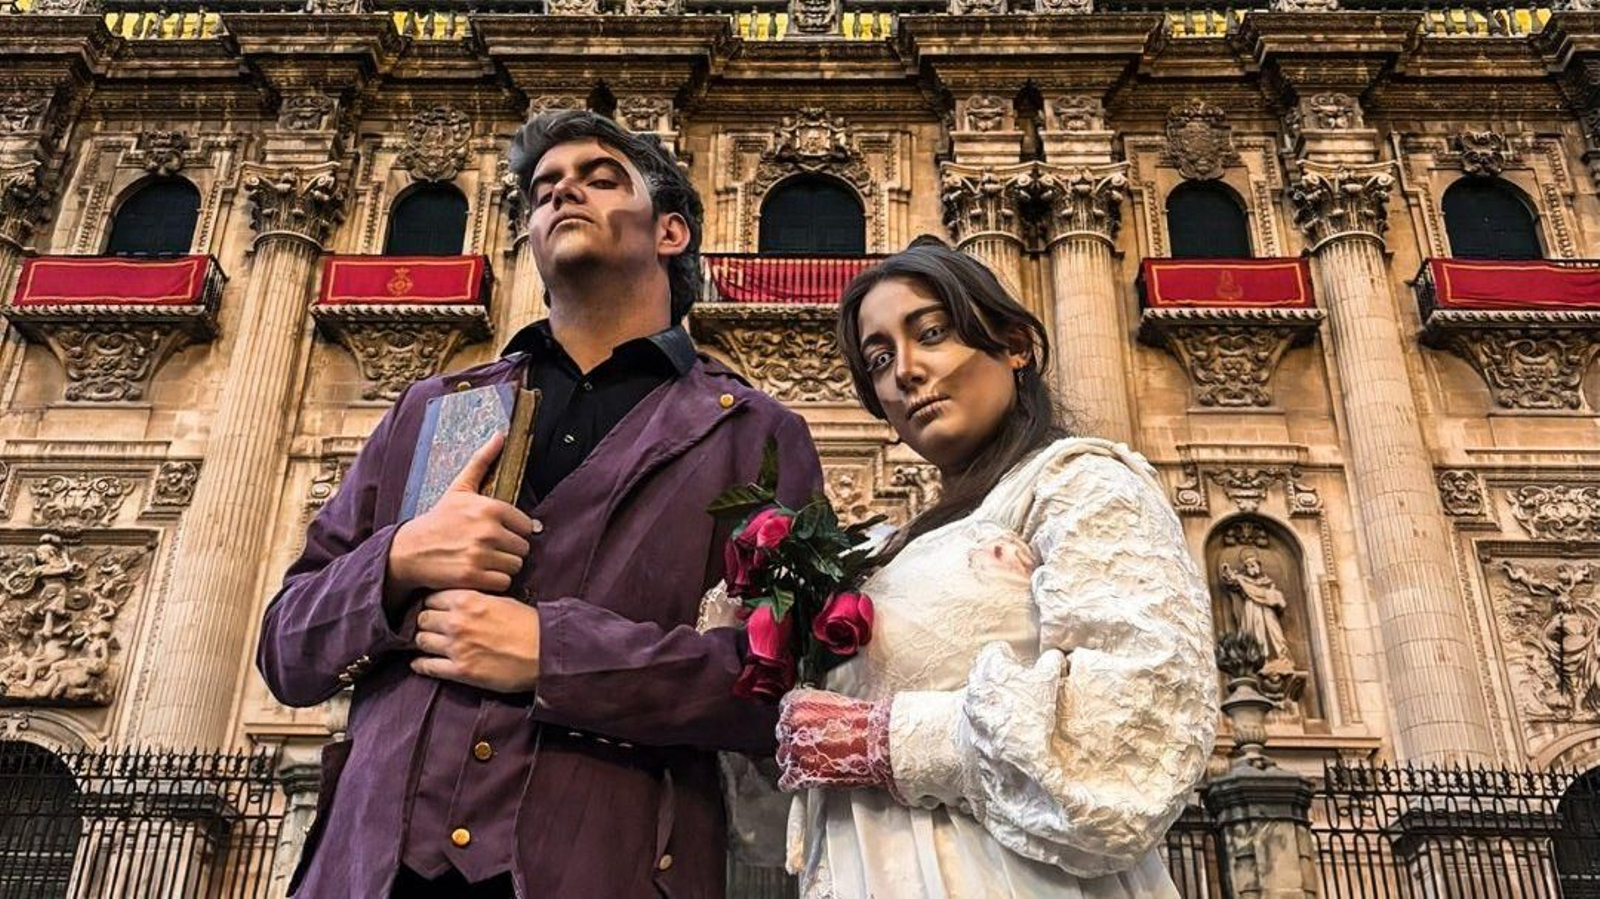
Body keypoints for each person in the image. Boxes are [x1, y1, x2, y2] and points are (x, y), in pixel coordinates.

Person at [257, 109, 823, 898]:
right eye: (544, 188)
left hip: (607, 863)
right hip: (378, 863)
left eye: (599, 178)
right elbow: (285, 648)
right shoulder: (431, 409)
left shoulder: (754, 435)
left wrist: (553, 653)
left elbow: (781, 687)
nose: (563, 193)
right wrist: (397, 561)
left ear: (671, 233)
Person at [771, 242, 1217, 897]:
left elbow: (1131, 742)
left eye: (931, 333)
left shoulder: (1080, 484)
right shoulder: (888, 549)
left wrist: (884, 740)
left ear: (1015, 346)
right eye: (879, 359)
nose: (906, 372)